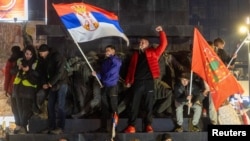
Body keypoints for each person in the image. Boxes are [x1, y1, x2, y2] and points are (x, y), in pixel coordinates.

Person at [124, 25, 168, 133]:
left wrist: (161, 32)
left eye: (143, 42)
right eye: (140, 42)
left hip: (149, 82)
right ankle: (131, 126)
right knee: (134, 104)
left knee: (149, 105)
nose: (141, 43)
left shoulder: (153, 53)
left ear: (148, 44)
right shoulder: (135, 55)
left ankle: (148, 125)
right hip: (137, 83)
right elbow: (131, 69)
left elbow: (164, 44)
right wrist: (128, 81)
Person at [38, 44, 69, 134]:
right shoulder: (44, 60)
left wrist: (50, 82)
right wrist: (44, 83)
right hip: (52, 85)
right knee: (50, 105)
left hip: (61, 84)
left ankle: (61, 127)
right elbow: (43, 72)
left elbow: (60, 72)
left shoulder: (57, 57)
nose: (40, 55)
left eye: (41, 53)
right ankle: (51, 126)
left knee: (60, 105)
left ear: (46, 51)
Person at [92, 45, 122, 132]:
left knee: (114, 107)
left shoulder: (116, 60)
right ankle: (103, 127)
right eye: (106, 50)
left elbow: (118, 64)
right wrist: (96, 75)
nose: (106, 52)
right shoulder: (105, 62)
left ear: (113, 51)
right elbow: (102, 74)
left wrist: (111, 56)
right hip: (104, 86)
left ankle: (115, 128)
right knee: (104, 107)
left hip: (113, 86)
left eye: (108, 50)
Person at [12, 45, 39, 134]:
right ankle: (18, 125)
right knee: (16, 108)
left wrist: (28, 70)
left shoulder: (35, 63)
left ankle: (23, 126)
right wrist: (18, 68)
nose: (28, 56)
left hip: (28, 89)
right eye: (27, 54)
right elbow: (12, 72)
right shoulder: (20, 61)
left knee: (25, 109)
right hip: (17, 88)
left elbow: (37, 76)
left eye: (30, 54)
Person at [3, 46, 23, 133]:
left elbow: (7, 75)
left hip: (14, 87)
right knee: (22, 107)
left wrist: (6, 89)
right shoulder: (24, 59)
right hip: (25, 87)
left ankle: (19, 125)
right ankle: (22, 125)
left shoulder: (11, 61)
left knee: (15, 108)